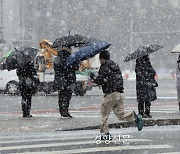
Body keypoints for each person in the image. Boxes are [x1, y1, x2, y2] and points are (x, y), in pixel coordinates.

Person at [90, 50, 143, 139]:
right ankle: (135, 116)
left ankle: (105, 134)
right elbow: (111, 78)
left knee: (104, 114)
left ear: (102, 58)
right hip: (120, 93)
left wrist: (93, 78)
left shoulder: (104, 67)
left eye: (100, 59)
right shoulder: (115, 65)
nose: (99, 61)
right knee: (121, 115)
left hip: (111, 94)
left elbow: (101, 80)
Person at [53, 45, 79, 118]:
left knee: (61, 96)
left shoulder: (57, 58)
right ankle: (65, 112)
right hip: (69, 80)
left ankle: (62, 111)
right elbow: (76, 68)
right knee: (67, 96)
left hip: (60, 80)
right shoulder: (71, 58)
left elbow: (55, 68)